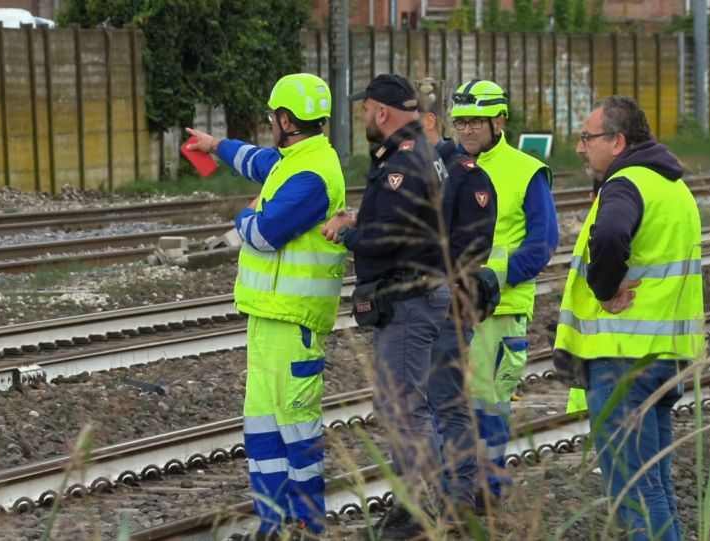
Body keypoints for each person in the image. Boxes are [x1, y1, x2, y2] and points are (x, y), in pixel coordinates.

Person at [184, 73, 348, 541]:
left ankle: (307, 527)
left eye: (273, 116)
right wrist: (215, 145)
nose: (269, 124)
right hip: (268, 318)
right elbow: (256, 160)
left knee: (297, 432)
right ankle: (273, 524)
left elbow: (262, 233)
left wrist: (245, 212)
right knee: (262, 432)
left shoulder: (314, 176)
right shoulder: (294, 158)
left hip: (293, 323)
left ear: (286, 120)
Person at [552, 95, 704, 541]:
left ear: (617, 141)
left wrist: (604, 287)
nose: (580, 148)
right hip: (664, 356)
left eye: (587, 138)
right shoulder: (672, 185)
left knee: (634, 494)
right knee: (655, 487)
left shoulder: (625, 184)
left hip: (624, 358)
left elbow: (613, 232)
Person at [319, 73, 451, 540]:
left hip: (408, 299)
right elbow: (406, 218)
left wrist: (347, 233)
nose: (363, 119)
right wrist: (361, 216)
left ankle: (418, 511)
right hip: (417, 293)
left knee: (402, 408)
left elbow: (392, 236)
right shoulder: (421, 153)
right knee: (406, 406)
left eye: (365, 110)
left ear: (381, 112)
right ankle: (419, 504)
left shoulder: (404, 161)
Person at [448, 79, 559, 498]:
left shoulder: (526, 171)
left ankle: (486, 495)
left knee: (487, 407)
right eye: (460, 122)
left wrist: (497, 276)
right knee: (451, 405)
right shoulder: (449, 166)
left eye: (475, 120)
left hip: (499, 310)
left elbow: (543, 243)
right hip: (449, 308)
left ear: (499, 120)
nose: (467, 129)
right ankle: (457, 490)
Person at [413, 88, 498, 516]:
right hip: (415, 310)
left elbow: (472, 246)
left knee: (448, 403)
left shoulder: (463, 173)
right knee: (423, 405)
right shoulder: (419, 168)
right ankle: (437, 495)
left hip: (446, 308)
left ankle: (459, 499)